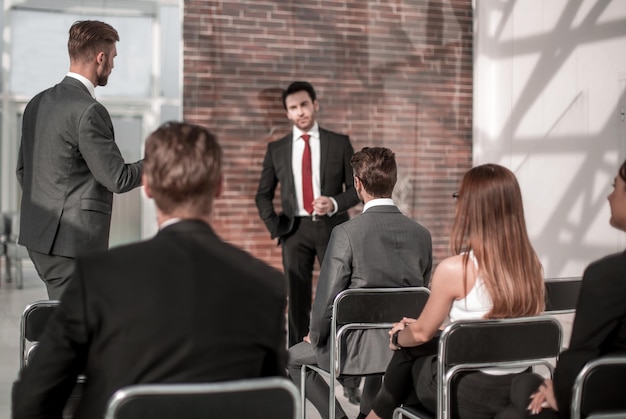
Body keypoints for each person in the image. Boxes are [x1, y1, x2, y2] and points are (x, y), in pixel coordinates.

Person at [12, 122, 289, 419]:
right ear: (220, 185)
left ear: (150, 187)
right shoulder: (266, 284)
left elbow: (34, 397)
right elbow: (274, 400)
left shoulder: (99, 277)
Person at [365, 163, 546, 419]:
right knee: (423, 340)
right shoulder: (531, 266)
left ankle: (374, 415)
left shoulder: (456, 269)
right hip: (517, 387)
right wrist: (429, 332)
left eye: (459, 197)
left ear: (471, 208)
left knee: (409, 349)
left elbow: (420, 334)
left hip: (466, 393)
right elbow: (489, 334)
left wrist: (398, 337)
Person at [287, 147, 433, 419]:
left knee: (293, 359)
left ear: (357, 183)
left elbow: (327, 298)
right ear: (394, 181)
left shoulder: (346, 233)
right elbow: (423, 296)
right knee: (379, 349)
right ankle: (367, 414)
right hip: (402, 345)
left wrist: (316, 336)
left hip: (353, 347)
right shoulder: (422, 235)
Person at [16, 20, 143, 300]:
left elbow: (24, 171)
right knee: (80, 330)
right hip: (73, 244)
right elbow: (117, 178)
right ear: (101, 58)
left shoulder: (37, 104)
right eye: (113, 58)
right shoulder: (89, 111)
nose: (113, 66)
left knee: (72, 318)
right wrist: (158, 162)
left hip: (39, 239)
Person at [514, 158, 626, 419]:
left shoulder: (608, 275)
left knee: (524, 390)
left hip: (608, 398)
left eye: (615, 187)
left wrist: (562, 393)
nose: (609, 197)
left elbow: (578, 357)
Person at [255, 80, 360, 347]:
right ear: (287, 113)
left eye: (304, 105)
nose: (300, 111)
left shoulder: (339, 143)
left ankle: (341, 361)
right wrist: (276, 227)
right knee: (297, 301)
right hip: (294, 231)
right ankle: (297, 368)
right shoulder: (276, 149)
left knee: (338, 295)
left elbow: (356, 190)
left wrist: (334, 203)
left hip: (333, 229)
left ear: (315, 105)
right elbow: (263, 195)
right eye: (293, 108)